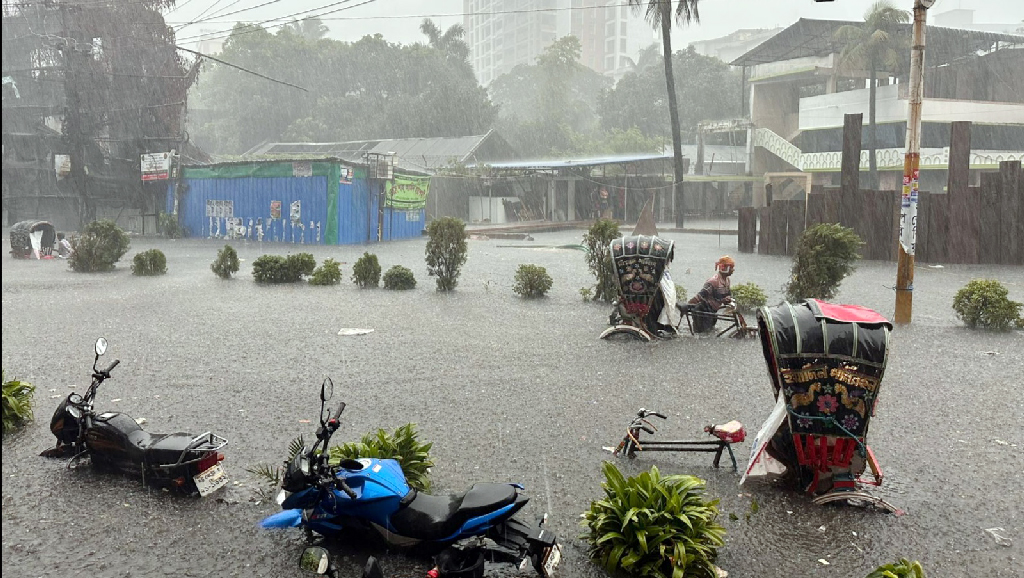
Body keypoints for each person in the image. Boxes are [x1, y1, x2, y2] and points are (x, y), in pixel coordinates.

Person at [684, 255, 735, 333]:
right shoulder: (713, 281)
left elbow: (726, 296)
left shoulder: (727, 281)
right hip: (704, 310)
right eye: (731, 268)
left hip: (712, 311)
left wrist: (727, 300)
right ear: (724, 268)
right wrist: (687, 306)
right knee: (704, 334)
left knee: (711, 331)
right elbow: (700, 296)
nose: (733, 270)